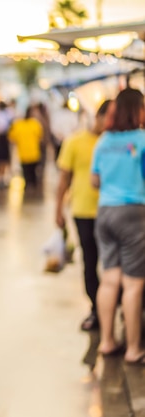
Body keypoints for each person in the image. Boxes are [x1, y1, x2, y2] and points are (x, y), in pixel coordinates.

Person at [91, 88, 145, 365]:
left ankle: (107, 341)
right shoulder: (142, 140)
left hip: (105, 212)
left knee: (109, 279)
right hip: (134, 212)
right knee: (134, 284)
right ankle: (134, 349)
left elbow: (94, 181)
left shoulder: (103, 140)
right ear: (136, 110)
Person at [55, 99, 112, 331]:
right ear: (97, 117)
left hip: (110, 211)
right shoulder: (75, 141)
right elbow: (63, 179)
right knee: (90, 262)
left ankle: (111, 308)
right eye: (108, 117)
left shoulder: (114, 142)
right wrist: (58, 209)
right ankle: (96, 309)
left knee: (112, 266)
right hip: (83, 211)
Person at [8, 105, 43, 192]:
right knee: (33, 170)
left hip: (23, 152)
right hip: (33, 152)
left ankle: (28, 185)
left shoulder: (19, 125)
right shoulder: (35, 124)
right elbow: (40, 137)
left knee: (26, 171)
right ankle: (33, 185)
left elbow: (12, 137)